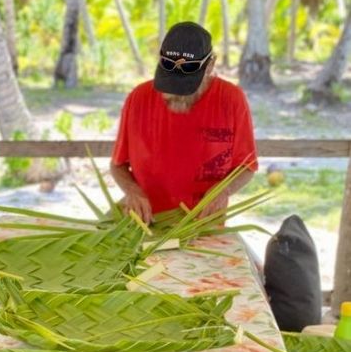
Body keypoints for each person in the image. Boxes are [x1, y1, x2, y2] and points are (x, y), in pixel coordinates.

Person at [111, 22, 258, 224]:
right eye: (169, 83)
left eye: (185, 86)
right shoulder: (138, 98)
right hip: (145, 221)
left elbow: (247, 166)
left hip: (201, 224)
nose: (176, 94)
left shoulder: (231, 99)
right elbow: (118, 165)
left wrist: (223, 191)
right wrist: (132, 191)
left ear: (210, 65)